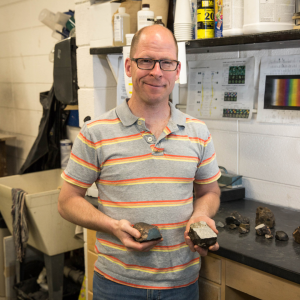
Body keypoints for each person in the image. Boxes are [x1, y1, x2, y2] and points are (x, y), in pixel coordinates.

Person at [58, 24, 221, 300]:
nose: (156, 71)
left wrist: (201, 215)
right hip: (117, 285)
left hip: (181, 285)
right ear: (129, 67)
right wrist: (112, 226)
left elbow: (210, 192)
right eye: (146, 60)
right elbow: (66, 201)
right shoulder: (96, 133)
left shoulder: (198, 132)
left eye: (166, 62)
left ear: (177, 71)